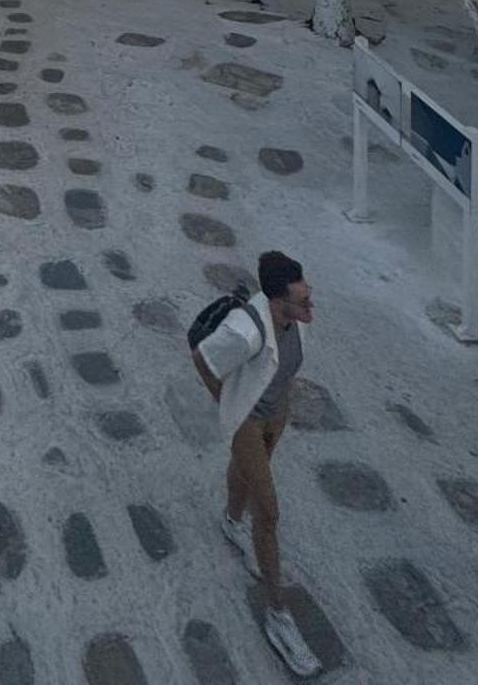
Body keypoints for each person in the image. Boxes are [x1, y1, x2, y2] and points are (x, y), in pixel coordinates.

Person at [191, 249, 320, 678]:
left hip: (276, 413)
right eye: (302, 301)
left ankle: (230, 521)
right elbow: (204, 359)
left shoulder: (296, 321)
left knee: (247, 474)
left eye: (309, 297)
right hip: (248, 417)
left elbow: (286, 363)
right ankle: (279, 617)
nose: (310, 306)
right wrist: (229, 404)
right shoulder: (245, 330)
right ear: (277, 301)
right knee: (268, 512)